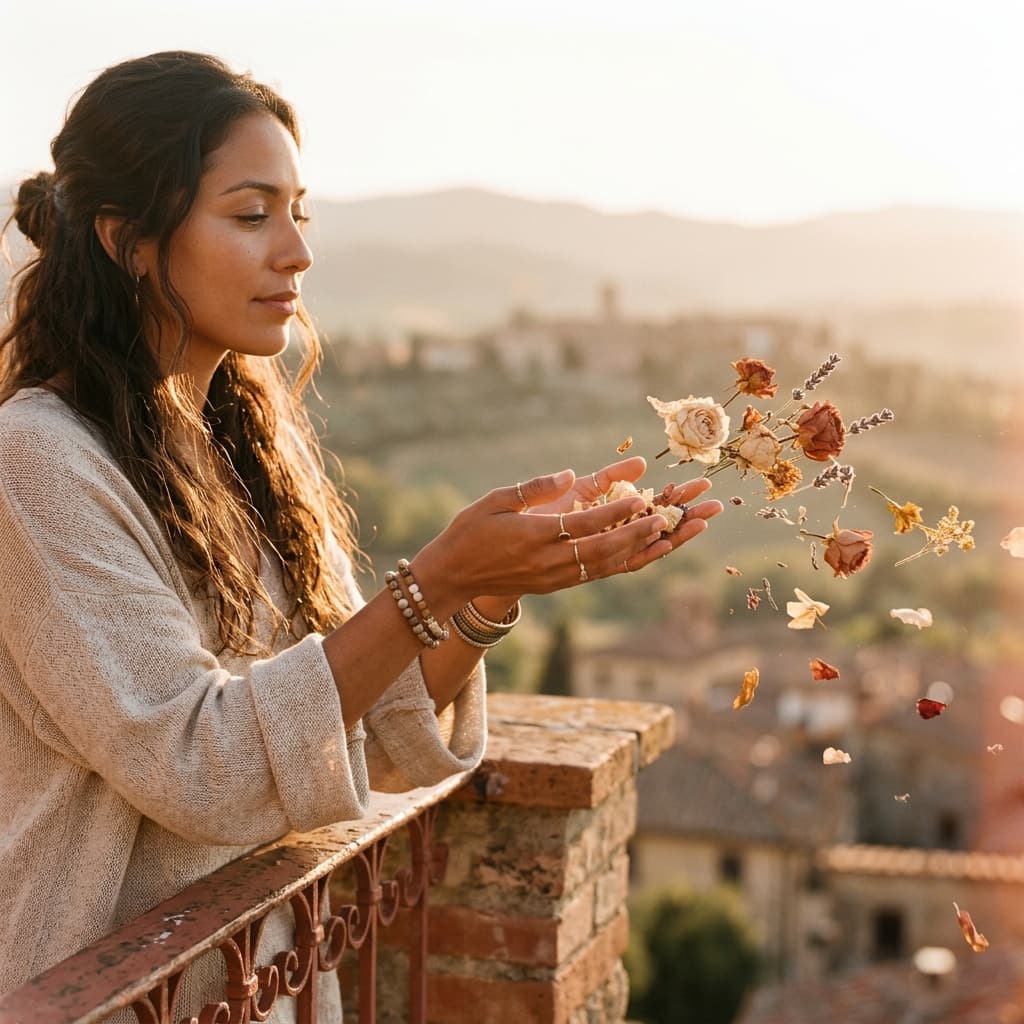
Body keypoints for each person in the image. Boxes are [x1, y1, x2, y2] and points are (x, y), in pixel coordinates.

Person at [0, 51, 722, 1020]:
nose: (295, 252)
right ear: (127, 240)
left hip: (259, 991)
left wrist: (492, 591)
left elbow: (362, 743)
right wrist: (433, 581)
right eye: (251, 215)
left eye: (300, 213)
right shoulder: (38, 462)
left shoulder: (244, 449)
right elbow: (201, 764)